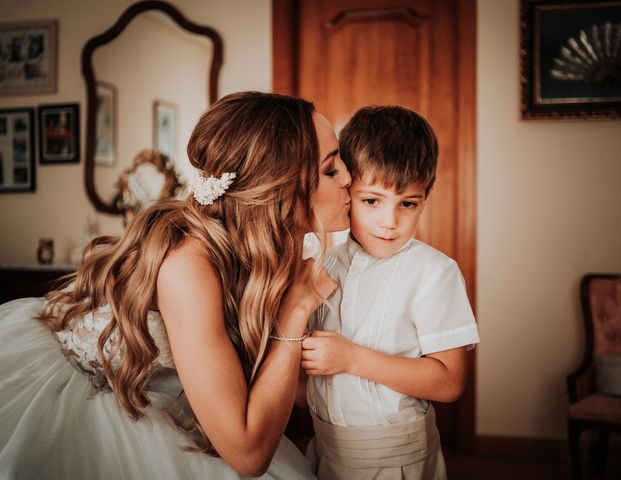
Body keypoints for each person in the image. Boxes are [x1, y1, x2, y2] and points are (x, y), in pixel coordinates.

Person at [0, 91, 353, 479]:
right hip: (71, 400)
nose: (350, 179)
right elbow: (248, 454)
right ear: (279, 185)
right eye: (331, 170)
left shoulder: (271, 249)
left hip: (165, 393)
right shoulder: (188, 265)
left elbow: (288, 386)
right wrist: (295, 310)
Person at [301, 106, 480, 479]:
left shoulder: (434, 272)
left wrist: (351, 359)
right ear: (346, 188)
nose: (389, 222)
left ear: (425, 196)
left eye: (408, 204)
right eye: (371, 201)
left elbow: (449, 382)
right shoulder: (322, 264)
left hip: (398, 462)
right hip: (324, 453)